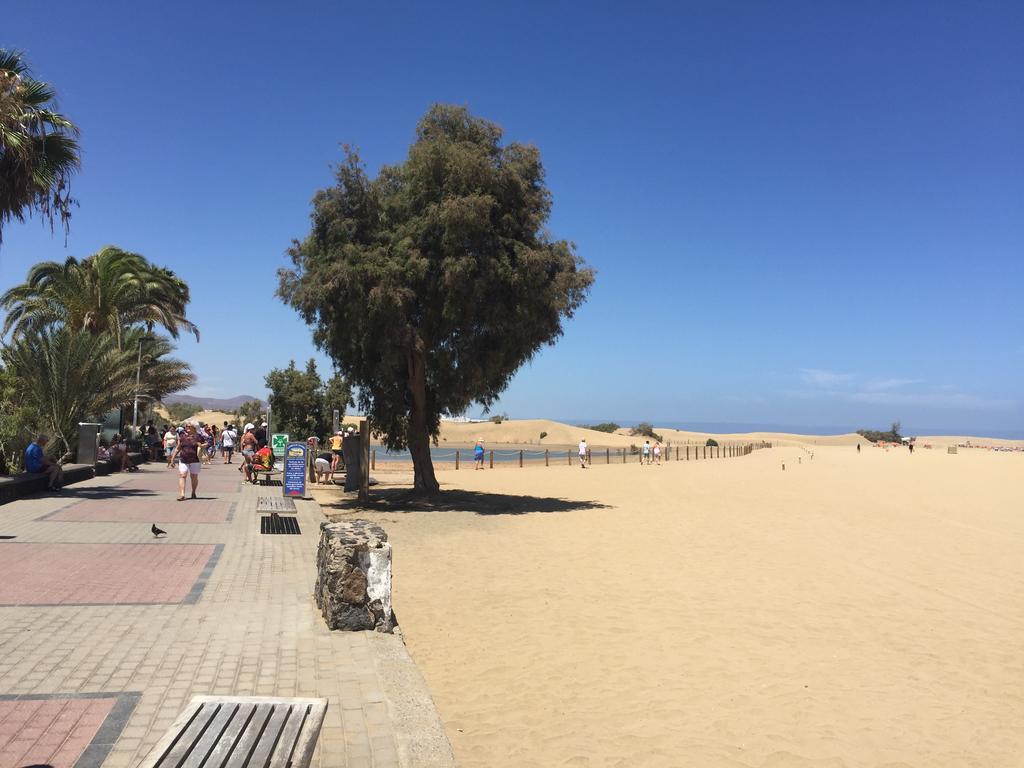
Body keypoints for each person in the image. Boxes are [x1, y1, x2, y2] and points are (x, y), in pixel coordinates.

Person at [170, 422, 206, 501]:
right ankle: (182, 494)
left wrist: (202, 445)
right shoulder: (182, 436)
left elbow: (206, 443)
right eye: (186, 426)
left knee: (194, 477)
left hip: (195, 460)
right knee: (182, 475)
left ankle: (193, 492)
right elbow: (178, 448)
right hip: (183, 459)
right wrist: (172, 459)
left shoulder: (199, 437)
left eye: (189, 426)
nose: (187, 427)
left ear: (194, 427)